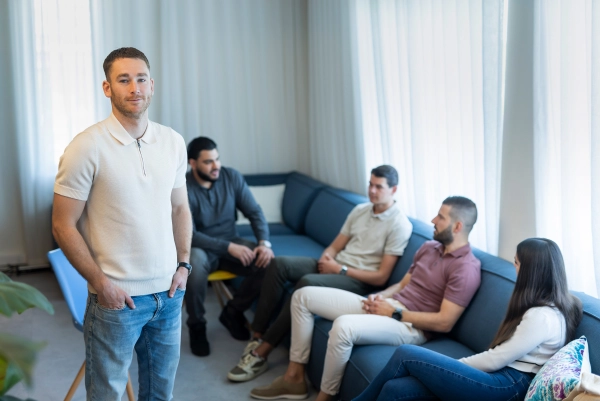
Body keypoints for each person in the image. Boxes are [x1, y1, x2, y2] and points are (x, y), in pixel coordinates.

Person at [52, 47, 191, 401]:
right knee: (106, 396)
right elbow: (62, 225)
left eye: (141, 79)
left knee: (160, 395)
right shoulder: (85, 147)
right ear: (107, 88)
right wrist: (101, 284)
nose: (134, 88)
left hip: (169, 294)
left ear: (152, 85)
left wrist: (184, 265)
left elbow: (179, 208)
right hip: (117, 301)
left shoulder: (173, 142)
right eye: (123, 80)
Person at [250, 196, 482, 401]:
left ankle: (325, 397)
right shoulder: (429, 247)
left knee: (343, 326)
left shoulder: (466, 268)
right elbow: (402, 285)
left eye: (441, 217)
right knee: (303, 296)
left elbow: (445, 322)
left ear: (457, 226)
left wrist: (395, 313)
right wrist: (378, 297)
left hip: (412, 326)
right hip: (390, 306)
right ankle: (294, 378)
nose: (433, 220)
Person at [228, 165, 413, 382]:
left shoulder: (399, 224)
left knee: (307, 282)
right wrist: (327, 258)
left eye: (379, 187)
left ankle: (263, 351)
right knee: (278, 264)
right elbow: (335, 246)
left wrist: (340, 270)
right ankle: (257, 335)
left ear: (393, 190)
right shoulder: (360, 210)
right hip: (336, 266)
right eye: (370, 184)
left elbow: (381, 277)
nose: (372, 190)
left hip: (359, 279)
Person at [352, 238, 583, 401]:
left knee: (406, 353)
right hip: (504, 378)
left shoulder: (542, 316)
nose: (514, 268)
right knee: (395, 389)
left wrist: (454, 367)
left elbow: (496, 359)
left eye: (516, 262)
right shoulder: (555, 306)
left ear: (530, 271)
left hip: (507, 386)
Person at [185, 136, 275, 356]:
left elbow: (254, 212)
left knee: (269, 264)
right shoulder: (182, 186)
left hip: (231, 242)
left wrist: (264, 243)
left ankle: (232, 312)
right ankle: (197, 325)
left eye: (217, 159)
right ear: (193, 163)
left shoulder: (231, 177)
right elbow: (189, 235)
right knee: (193, 262)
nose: (216, 166)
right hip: (201, 248)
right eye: (208, 162)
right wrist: (227, 247)